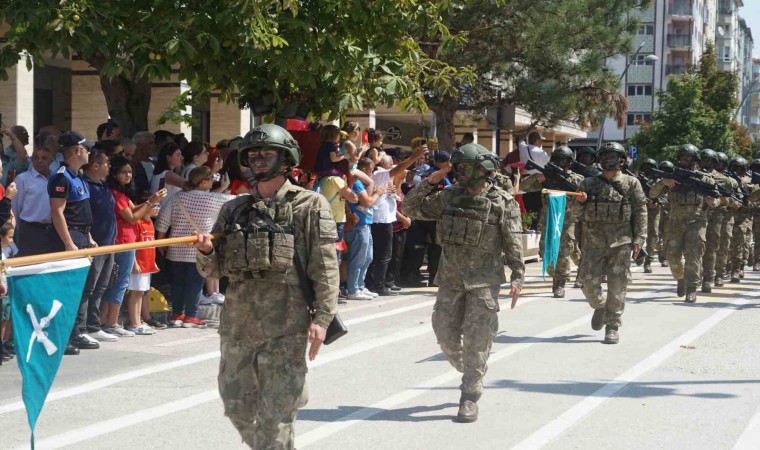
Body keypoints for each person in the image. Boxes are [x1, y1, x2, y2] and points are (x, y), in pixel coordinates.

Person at [194, 123, 338, 449]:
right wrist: (205, 252)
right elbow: (213, 268)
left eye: (267, 153)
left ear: (286, 159)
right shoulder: (233, 209)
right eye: (253, 155)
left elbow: (325, 268)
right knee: (236, 404)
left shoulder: (310, 206)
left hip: (286, 324)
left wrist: (322, 319)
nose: (258, 160)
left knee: (277, 412)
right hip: (238, 324)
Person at [403, 143, 524, 423]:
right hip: (451, 279)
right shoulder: (448, 197)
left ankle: (470, 393)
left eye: (465, 167)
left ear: (484, 170)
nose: (459, 173)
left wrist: (517, 276)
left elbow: (513, 243)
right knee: (444, 333)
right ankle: (471, 368)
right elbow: (411, 207)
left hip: (484, 282)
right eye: (458, 168)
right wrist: (430, 181)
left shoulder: (502, 202)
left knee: (477, 339)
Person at [573, 142, 646, 344]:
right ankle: (600, 306)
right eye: (604, 156)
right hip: (593, 242)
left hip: (621, 242)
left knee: (618, 284)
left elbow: (641, 211)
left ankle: (613, 325)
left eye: (612, 156)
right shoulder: (587, 183)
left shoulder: (632, 184)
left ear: (622, 160)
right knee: (588, 282)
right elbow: (574, 213)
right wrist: (579, 202)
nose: (608, 160)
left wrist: (640, 239)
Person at [156, 166, 233, 327]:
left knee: (177, 283)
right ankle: (191, 316)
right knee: (195, 283)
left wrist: (161, 243)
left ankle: (177, 314)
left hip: (175, 248)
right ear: (204, 182)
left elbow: (162, 221)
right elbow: (237, 199)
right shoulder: (215, 199)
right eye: (212, 179)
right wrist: (225, 188)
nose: (214, 182)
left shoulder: (177, 197)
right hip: (199, 249)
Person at [48, 131, 99, 355]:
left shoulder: (77, 176)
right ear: (77, 151)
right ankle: (62, 336)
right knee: (66, 289)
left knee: (81, 289)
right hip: (70, 238)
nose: (88, 152)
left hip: (82, 236)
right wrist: (69, 243)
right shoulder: (62, 177)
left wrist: (89, 238)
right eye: (86, 149)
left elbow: (80, 211)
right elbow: (58, 213)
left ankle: (75, 331)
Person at [649, 144, 716, 303]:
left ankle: (692, 289)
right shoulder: (672, 176)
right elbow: (652, 193)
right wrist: (664, 182)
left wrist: (713, 201)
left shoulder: (705, 179)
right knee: (672, 256)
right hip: (675, 222)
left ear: (695, 160)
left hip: (697, 222)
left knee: (693, 256)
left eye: (689, 158)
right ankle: (680, 278)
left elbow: (718, 199)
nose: (685, 160)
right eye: (682, 158)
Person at [519, 146, 584, 297]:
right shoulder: (547, 177)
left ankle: (559, 282)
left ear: (569, 162)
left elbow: (583, 199)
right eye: (557, 159)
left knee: (563, 250)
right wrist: (538, 177)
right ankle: (582, 267)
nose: (560, 163)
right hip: (548, 220)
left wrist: (574, 203)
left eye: (563, 160)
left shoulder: (577, 179)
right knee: (545, 250)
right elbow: (523, 187)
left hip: (567, 221)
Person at [364, 148, 426, 296]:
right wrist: (414, 156)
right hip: (381, 220)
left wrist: (394, 187)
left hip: (385, 219)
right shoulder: (379, 174)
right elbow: (399, 168)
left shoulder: (385, 179)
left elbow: (396, 195)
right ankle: (378, 285)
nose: (394, 166)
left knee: (384, 255)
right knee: (382, 255)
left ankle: (379, 283)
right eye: (391, 163)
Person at [78, 150, 119, 343]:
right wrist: (89, 237)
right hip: (94, 244)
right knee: (88, 288)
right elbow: (83, 216)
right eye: (106, 163)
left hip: (109, 244)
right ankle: (81, 327)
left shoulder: (103, 186)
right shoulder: (85, 185)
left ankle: (94, 326)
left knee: (101, 287)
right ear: (95, 166)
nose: (109, 167)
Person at [400, 149, 452, 287]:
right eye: (447, 161)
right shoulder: (432, 175)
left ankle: (433, 278)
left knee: (434, 250)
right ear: (439, 162)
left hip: (434, 218)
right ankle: (412, 278)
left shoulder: (443, 175)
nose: (450, 164)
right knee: (419, 249)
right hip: (423, 218)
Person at [345, 158, 387, 300]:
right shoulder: (356, 183)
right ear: (362, 170)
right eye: (370, 170)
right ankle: (353, 289)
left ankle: (360, 286)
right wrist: (378, 192)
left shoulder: (362, 183)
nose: (371, 173)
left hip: (365, 224)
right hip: (358, 225)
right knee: (358, 258)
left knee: (367, 258)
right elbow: (367, 202)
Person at [699, 149, 738, 293]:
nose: (705, 163)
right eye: (703, 159)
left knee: (713, 247)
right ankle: (695, 276)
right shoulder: (696, 176)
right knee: (696, 248)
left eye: (708, 160)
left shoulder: (726, 180)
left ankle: (711, 277)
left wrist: (718, 200)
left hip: (717, 217)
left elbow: (734, 201)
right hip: (697, 215)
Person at [11, 146, 54, 257]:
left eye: (44, 158)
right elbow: (15, 209)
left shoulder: (56, 179)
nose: (39, 160)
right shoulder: (23, 179)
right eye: (36, 157)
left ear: (51, 160)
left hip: (53, 230)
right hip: (31, 231)